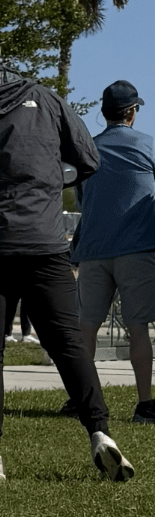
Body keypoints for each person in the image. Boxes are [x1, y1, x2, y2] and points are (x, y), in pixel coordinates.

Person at [0, 15, 134, 483]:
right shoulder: (46, 97)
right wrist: (49, 183)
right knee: (68, 343)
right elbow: (88, 159)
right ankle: (99, 432)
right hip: (44, 242)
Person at [69, 81, 155, 424]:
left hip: (93, 249)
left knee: (86, 327)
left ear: (104, 113)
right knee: (138, 327)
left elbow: (81, 199)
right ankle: (144, 404)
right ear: (132, 112)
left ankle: (81, 400)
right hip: (137, 248)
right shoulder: (147, 145)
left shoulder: (88, 148)